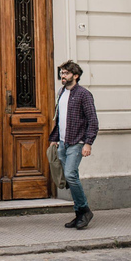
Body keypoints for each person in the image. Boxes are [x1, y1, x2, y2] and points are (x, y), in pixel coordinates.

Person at [49, 60, 99, 230]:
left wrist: (88, 143)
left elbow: (93, 120)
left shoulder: (84, 94)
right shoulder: (61, 92)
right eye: (62, 73)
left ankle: (85, 210)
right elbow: (59, 118)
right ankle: (79, 214)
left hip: (77, 142)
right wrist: (55, 138)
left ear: (75, 76)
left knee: (70, 175)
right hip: (63, 143)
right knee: (71, 179)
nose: (63, 76)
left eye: (66, 73)